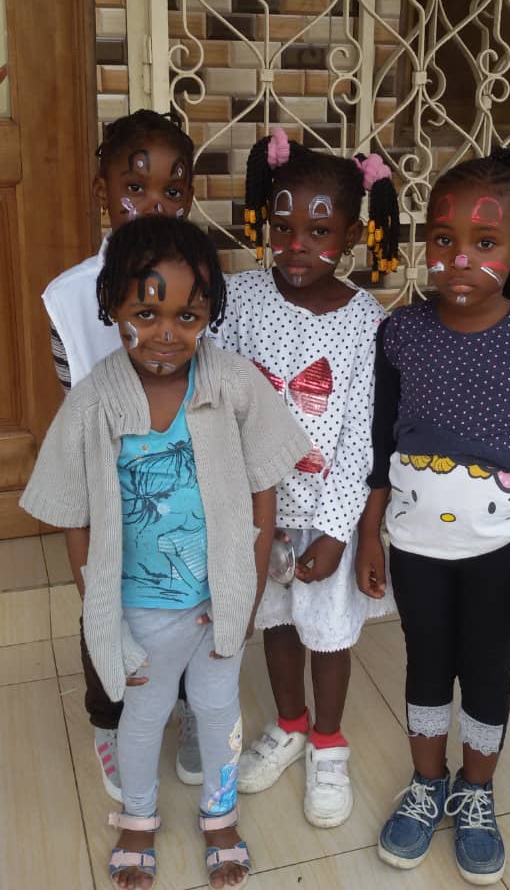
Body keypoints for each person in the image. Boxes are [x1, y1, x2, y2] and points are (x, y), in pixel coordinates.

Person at [21, 216, 311, 889]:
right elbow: (74, 518)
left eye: (188, 316)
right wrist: (102, 615)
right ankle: (137, 819)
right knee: (144, 717)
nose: (166, 334)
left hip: (219, 599)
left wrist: (247, 594)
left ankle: (220, 815)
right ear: (112, 309)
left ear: (209, 314)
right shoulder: (93, 402)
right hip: (139, 609)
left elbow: (263, 489)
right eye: (145, 313)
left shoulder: (232, 383)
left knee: (218, 711)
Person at [356, 148, 510, 884]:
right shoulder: (401, 334)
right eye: (443, 238)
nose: (459, 259)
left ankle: (475, 792)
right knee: (426, 661)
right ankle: (428, 783)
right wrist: (369, 533)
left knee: (486, 668)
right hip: (415, 547)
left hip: (502, 551)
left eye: (484, 242)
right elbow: (380, 442)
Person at [214, 128, 400, 828]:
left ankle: (328, 741)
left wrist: (336, 529)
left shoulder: (364, 321)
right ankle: (289, 724)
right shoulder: (238, 299)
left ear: (350, 236)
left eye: (318, 232)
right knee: (276, 622)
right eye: (282, 226)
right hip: (255, 508)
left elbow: (360, 436)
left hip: (326, 510)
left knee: (327, 631)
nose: (296, 245)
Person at [42, 109, 203, 800]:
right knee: (105, 603)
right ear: (101, 191)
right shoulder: (70, 297)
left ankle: (191, 707)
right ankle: (108, 717)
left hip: (183, 478)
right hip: (109, 477)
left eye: (173, 189)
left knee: (189, 595)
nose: (154, 204)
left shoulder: (201, 277)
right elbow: (73, 399)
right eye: (135, 187)